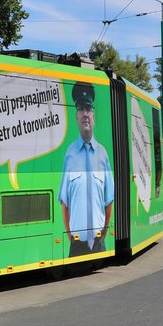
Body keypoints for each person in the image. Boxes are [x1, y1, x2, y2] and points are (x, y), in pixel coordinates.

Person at [58, 82, 114, 257]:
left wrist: (103, 234)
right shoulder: (69, 154)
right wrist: (70, 236)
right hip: (77, 245)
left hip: (99, 242)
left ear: (93, 116)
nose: (85, 114)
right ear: (76, 117)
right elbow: (65, 204)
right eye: (81, 109)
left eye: (88, 109)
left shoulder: (103, 154)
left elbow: (108, 201)